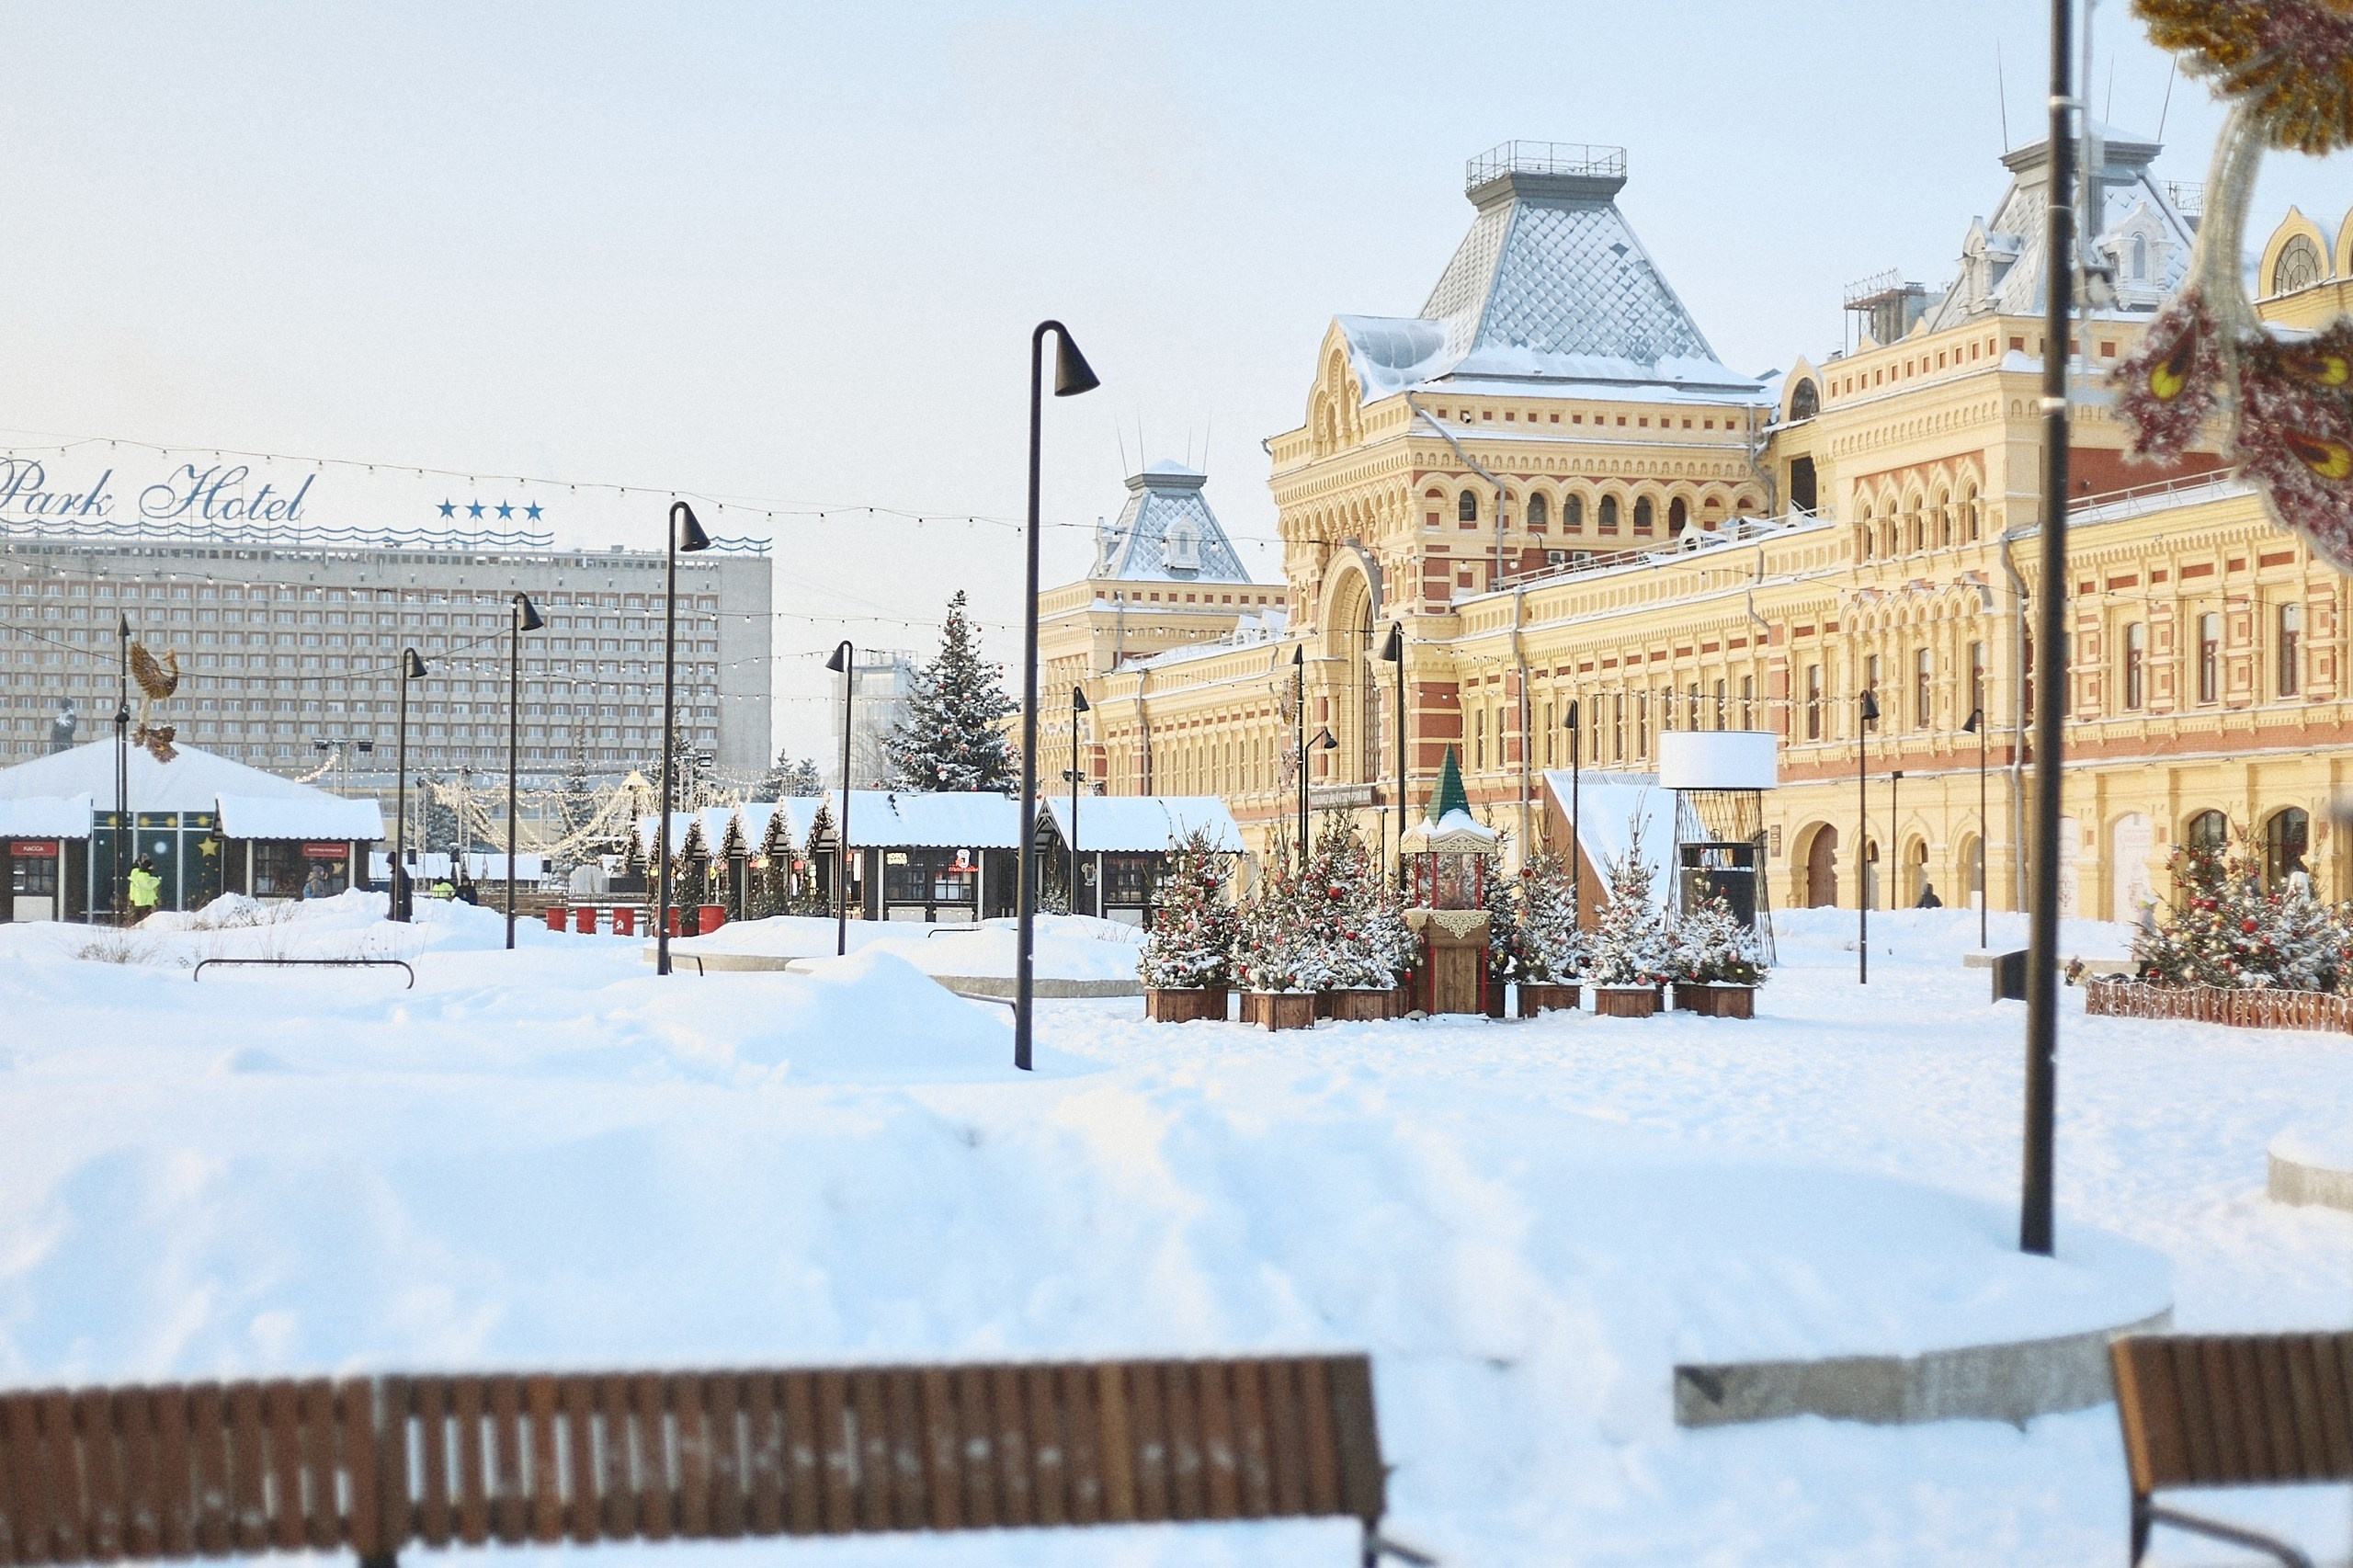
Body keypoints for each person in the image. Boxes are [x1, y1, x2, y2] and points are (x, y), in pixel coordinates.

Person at [126, 856, 161, 922]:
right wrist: (156, 880)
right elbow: (146, 885)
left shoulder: (143, 874)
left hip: (144, 899)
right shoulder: (139, 873)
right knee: (142, 918)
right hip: (143, 900)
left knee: (143, 918)